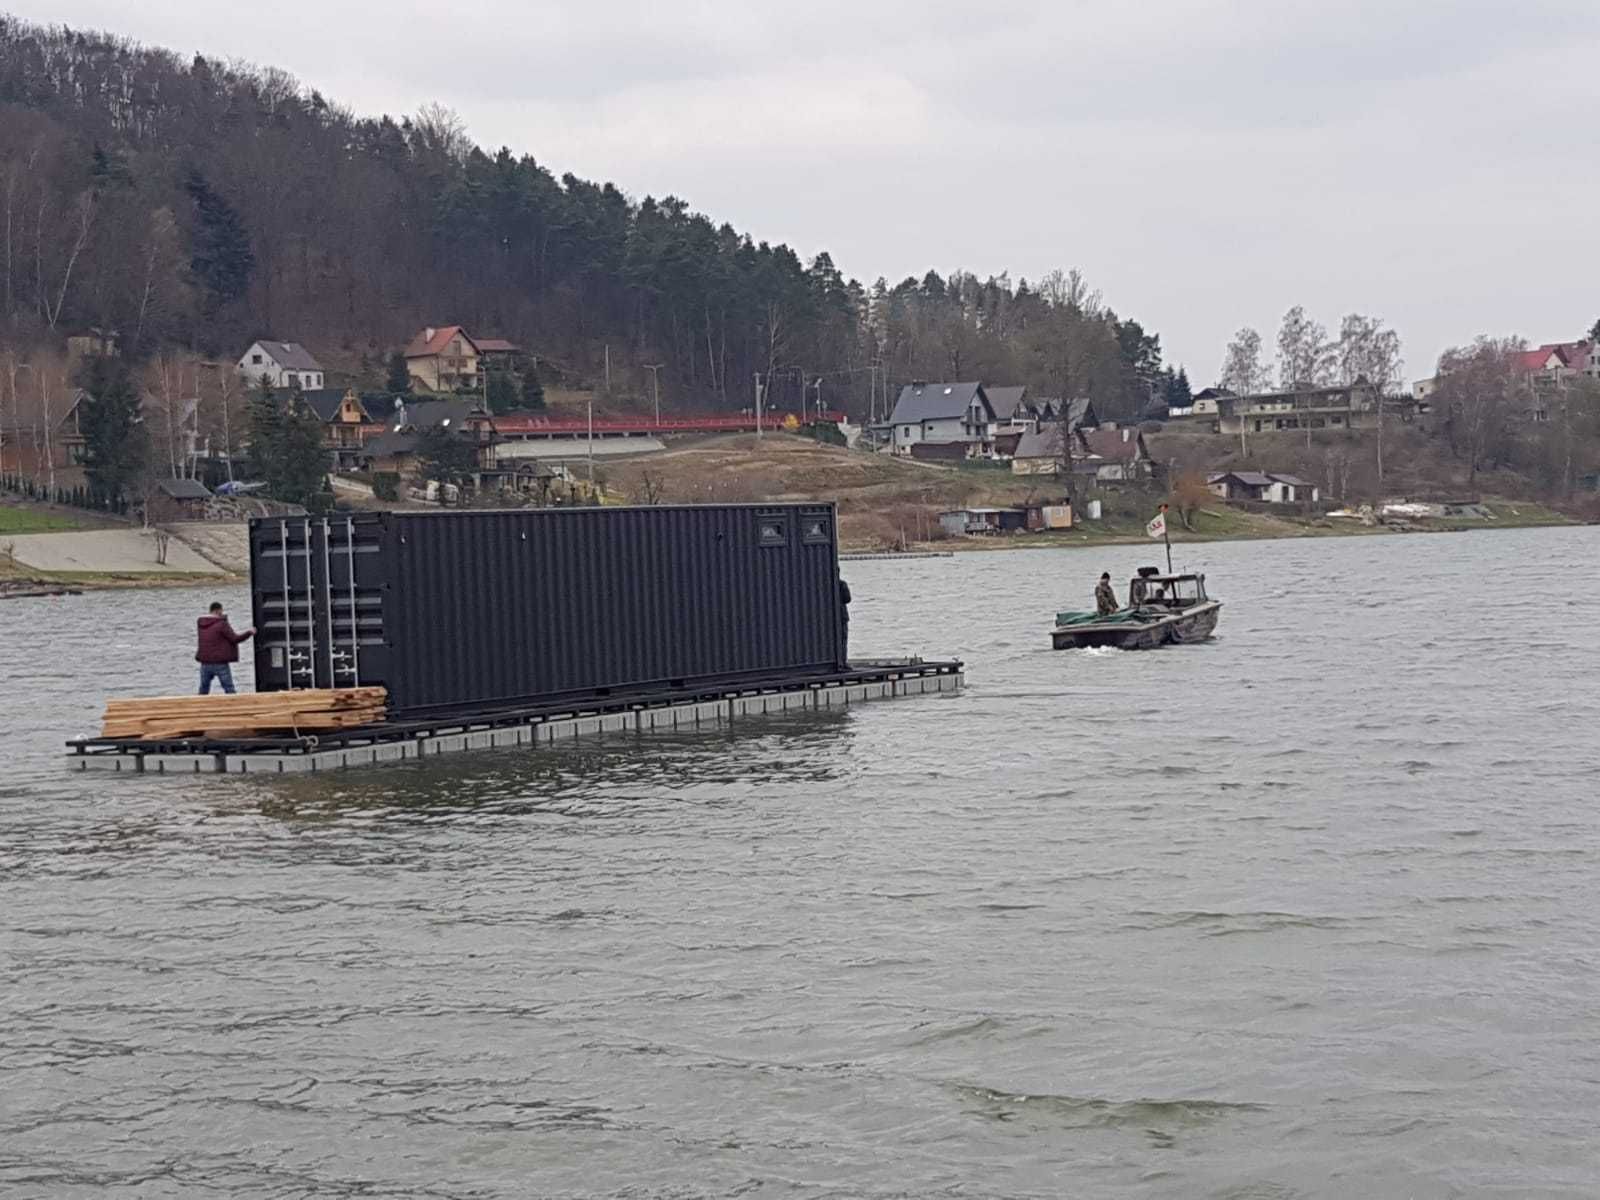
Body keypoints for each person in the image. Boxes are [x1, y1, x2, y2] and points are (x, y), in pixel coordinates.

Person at [196, 601, 254, 695]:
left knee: (203, 690)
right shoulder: (222, 624)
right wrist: (250, 632)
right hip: (220, 663)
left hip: (205, 663)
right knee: (229, 689)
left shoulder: (201, 624)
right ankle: (235, 707)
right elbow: (235, 639)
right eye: (221, 611)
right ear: (218, 610)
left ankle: (199, 707)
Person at [838, 577, 853, 666]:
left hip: (829, 617)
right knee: (843, 639)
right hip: (842, 616)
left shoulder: (825, 585)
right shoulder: (842, 584)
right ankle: (843, 661)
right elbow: (847, 599)